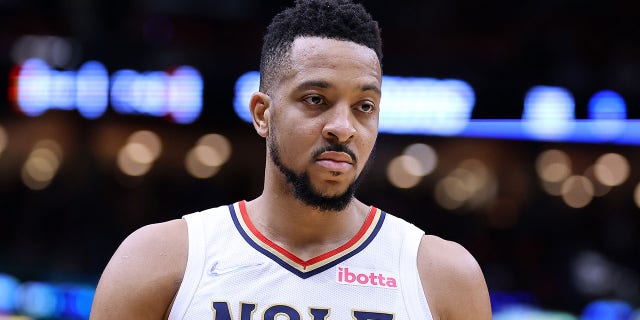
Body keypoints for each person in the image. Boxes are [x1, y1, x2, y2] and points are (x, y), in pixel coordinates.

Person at [90, 0, 492, 319]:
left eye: (364, 106)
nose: (343, 127)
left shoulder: (444, 276)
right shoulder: (156, 259)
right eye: (315, 100)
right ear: (263, 114)